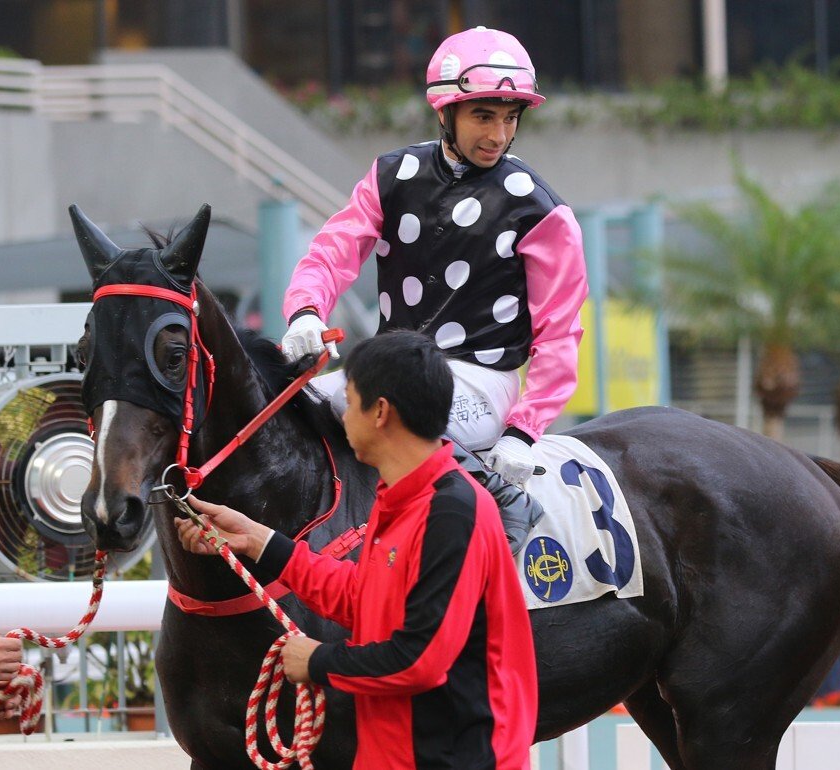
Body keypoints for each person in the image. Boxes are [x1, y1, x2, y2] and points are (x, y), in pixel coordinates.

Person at [280, 25, 587, 552]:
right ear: (445, 112)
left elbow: (559, 335)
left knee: (397, 409)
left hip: (482, 382)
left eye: (510, 118)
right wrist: (306, 310)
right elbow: (332, 252)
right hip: (390, 372)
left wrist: (523, 429)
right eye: (483, 116)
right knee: (292, 407)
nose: (499, 135)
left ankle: (500, 499)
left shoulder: (541, 210)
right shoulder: (391, 176)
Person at [176, 331, 537, 770]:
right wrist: (258, 541)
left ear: (380, 412)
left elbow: (419, 660)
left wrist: (317, 660)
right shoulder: (400, 499)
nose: (341, 417)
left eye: (348, 401)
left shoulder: (452, 512)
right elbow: (363, 598)